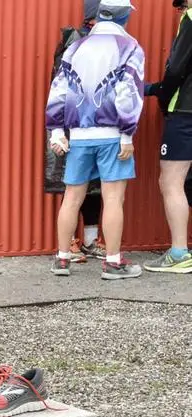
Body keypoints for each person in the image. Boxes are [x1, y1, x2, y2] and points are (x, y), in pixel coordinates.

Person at [46, 0, 144, 280]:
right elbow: (130, 91)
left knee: (72, 197)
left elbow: (59, 90)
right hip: (113, 135)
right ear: (124, 15)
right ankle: (113, 263)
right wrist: (127, 134)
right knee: (113, 197)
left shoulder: (76, 47)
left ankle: (62, 258)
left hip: (78, 135)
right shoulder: (130, 47)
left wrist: (56, 132)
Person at [48, 0, 108, 262]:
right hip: (75, 124)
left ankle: (90, 241)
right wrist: (58, 130)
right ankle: (70, 243)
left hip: (100, 124)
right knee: (74, 184)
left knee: (95, 185)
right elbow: (60, 87)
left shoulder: (110, 44)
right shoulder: (77, 42)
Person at [143, 0, 192, 274]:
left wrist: (160, 94)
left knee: (171, 181)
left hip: (185, 111)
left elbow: (176, 69)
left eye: (180, 5)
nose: (181, 11)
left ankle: (178, 254)